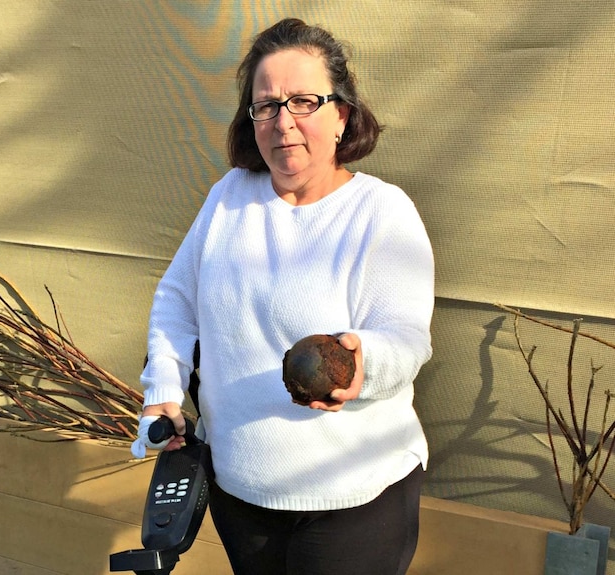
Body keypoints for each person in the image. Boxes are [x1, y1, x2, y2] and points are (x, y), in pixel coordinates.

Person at [137, 17, 434, 575]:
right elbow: (178, 297)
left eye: (304, 101)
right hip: (241, 490)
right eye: (267, 105)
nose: (283, 123)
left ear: (342, 114)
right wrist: (164, 390)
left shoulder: (382, 213)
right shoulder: (229, 198)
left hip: (354, 498)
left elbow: (406, 338)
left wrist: (359, 366)